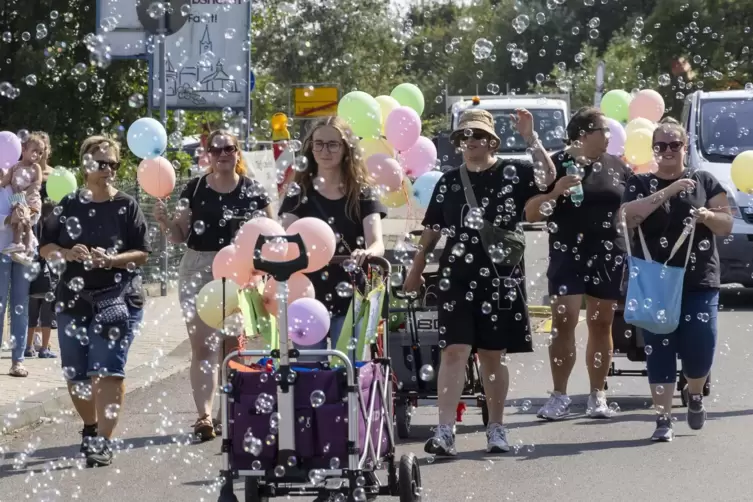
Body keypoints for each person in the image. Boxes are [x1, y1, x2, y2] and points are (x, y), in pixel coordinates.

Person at [403, 108, 556, 456]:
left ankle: (496, 429)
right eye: (464, 136)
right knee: (454, 350)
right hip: (456, 277)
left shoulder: (513, 172)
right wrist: (417, 266)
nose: (470, 141)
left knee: (491, 355)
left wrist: (531, 138)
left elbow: (548, 178)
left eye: (477, 135)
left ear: (492, 140)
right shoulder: (449, 181)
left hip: (500, 279)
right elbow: (433, 228)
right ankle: (445, 431)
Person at [154, 130, 273, 442]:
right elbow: (180, 236)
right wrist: (166, 223)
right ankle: (204, 417)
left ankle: (231, 411)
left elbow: (273, 234)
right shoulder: (193, 189)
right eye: (216, 149)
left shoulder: (253, 190)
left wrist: (262, 266)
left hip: (239, 269)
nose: (223, 154)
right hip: (199, 266)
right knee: (203, 346)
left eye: (229, 148)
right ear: (208, 154)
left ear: (237, 152)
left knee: (233, 345)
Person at [40, 135, 151, 467]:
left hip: (118, 297)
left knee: (108, 370)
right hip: (74, 298)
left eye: (114, 164)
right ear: (86, 165)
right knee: (76, 373)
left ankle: (104, 440)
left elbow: (143, 253)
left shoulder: (126, 205)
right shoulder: (69, 204)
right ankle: (91, 429)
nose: (109, 170)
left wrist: (113, 260)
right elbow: (46, 247)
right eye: (102, 164)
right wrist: (66, 252)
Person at [620, 118, 732, 442]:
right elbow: (627, 217)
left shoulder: (704, 180)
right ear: (653, 149)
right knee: (660, 349)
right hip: (655, 281)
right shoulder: (640, 182)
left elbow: (726, 224)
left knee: (701, 349)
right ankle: (663, 419)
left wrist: (708, 216)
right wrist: (668, 190)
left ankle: (694, 393)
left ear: (685, 147)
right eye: (661, 146)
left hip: (699, 280)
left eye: (674, 145)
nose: (668, 150)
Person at [523, 107, 632, 420]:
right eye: (604, 130)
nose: (610, 136)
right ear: (584, 134)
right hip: (567, 252)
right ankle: (559, 396)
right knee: (563, 322)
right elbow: (531, 212)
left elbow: (632, 207)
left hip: (608, 253)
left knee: (601, 324)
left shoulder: (617, 166)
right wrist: (556, 192)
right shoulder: (554, 164)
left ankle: (597, 394)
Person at [278, 116, 386, 360]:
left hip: (351, 296)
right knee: (309, 375)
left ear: (346, 149)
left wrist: (367, 253)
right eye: (319, 144)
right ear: (311, 148)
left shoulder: (362, 192)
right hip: (306, 297)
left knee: (346, 376)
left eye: (332, 144)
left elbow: (377, 242)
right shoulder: (300, 193)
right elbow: (286, 239)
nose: (324, 151)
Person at [26, 132, 57, 358]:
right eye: (38, 148)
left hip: (51, 230)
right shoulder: (27, 172)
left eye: (44, 147)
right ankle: (33, 335)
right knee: (32, 282)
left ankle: (44, 335)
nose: (41, 151)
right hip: (32, 228)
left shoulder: (55, 175)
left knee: (49, 283)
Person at [0, 186, 33, 377]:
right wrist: (7, 219)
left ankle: (18, 361)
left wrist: (27, 218)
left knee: (20, 305)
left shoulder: (23, 181)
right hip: (1, 250)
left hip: (23, 251)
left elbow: (35, 213)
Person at [1, 133, 44, 265]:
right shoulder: (15, 167)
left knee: (26, 223)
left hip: (31, 200)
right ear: (23, 150)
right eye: (34, 151)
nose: (37, 155)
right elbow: (6, 180)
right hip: (18, 200)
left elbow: (37, 183)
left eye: (40, 152)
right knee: (18, 222)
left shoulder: (35, 167)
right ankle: (19, 245)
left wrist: (25, 194)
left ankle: (26, 246)